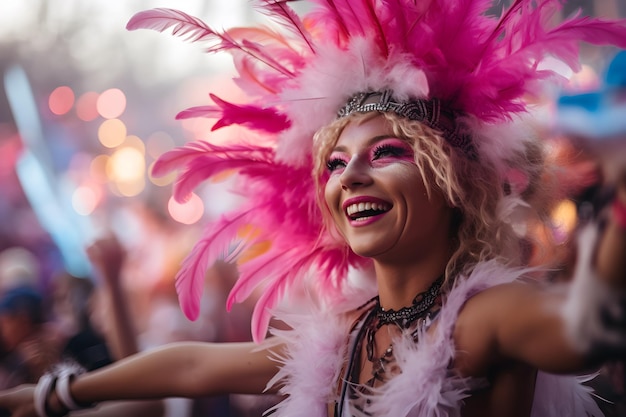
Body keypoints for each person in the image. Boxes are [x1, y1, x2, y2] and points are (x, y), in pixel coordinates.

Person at [1, 1, 626, 417]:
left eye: (383, 152)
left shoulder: (483, 316)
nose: (349, 175)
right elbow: (191, 366)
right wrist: (56, 396)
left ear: (453, 179)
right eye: (332, 163)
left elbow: (586, 334)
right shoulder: (346, 339)